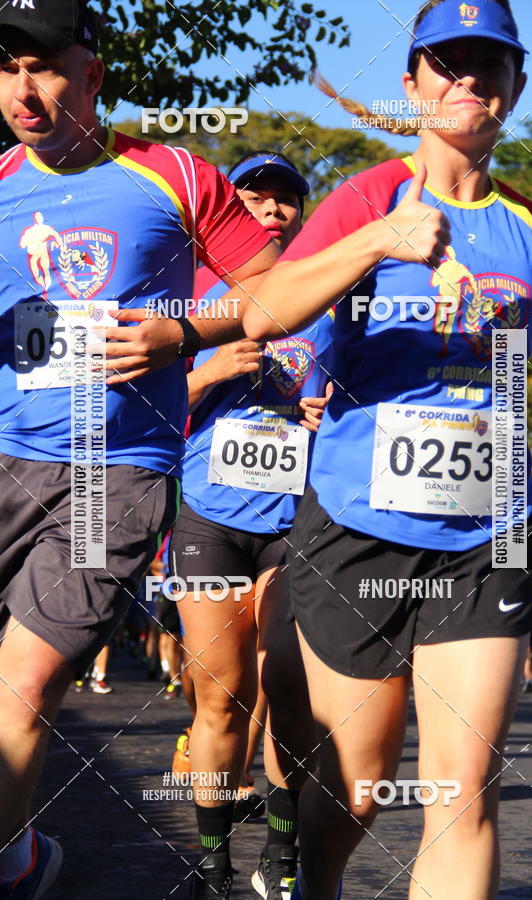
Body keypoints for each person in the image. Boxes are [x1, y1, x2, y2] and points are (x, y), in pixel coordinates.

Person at [238, 1, 532, 897]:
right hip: (360, 528)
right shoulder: (365, 198)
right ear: (413, 83)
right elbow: (262, 315)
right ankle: (312, 883)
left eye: (491, 68)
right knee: (356, 794)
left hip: (491, 536)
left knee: (463, 796)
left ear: (514, 90)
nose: (468, 82)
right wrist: (377, 241)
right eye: (448, 64)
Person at [0, 2, 279, 896]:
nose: (22, 88)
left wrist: (180, 333)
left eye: (42, 65)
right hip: (6, 454)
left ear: (92, 73)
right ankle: (20, 852)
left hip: (111, 475)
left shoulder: (174, 175)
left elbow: (271, 289)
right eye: (7, 67)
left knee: (28, 685)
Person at [168, 151, 334, 899]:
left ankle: (282, 850)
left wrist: (329, 411)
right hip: (210, 517)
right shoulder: (193, 293)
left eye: (286, 201)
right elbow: (134, 409)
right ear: (230, 209)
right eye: (256, 198)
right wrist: (207, 371)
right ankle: (211, 865)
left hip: (295, 520)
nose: (271, 210)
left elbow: (361, 399)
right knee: (220, 695)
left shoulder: (328, 296)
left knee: (290, 687)